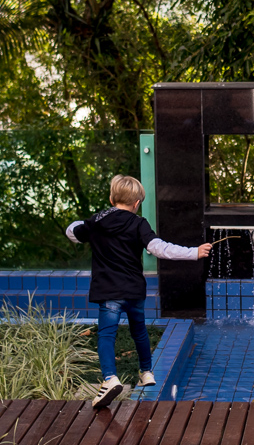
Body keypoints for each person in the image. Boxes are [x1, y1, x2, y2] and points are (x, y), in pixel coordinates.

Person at [66, 175, 211, 409]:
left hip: (109, 291)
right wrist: (193, 252)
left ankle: (110, 378)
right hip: (134, 290)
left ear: (111, 199)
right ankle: (146, 372)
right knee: (139, 331)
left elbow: (73, 233)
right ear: (136, 204)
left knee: (106, 335)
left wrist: (83, 223)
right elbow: (160, 249)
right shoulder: (139, 223)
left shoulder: (97, 221)